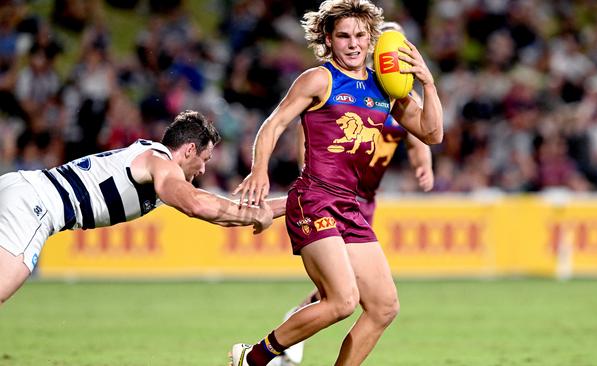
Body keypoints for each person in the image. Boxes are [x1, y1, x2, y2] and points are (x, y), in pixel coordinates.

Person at [230, 0, 443, 365]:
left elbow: (432, 132)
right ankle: (252, 359)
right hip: (313, 199)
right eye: (343, 35)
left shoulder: (386, 89)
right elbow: (274, 123)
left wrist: (428, 82)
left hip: (350, 205)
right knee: (342, 302)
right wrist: (259, 169)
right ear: (328, 39)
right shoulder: (320, 79)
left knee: (384, 307)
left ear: (372, 39)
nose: (353, 43)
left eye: (360, 35)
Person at [0, 110, 284, 305]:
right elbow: (197, 204)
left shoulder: (155, 163)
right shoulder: (159, 163)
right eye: (205, 159)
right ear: (188, 151)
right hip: (35, 207)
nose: (203, 169)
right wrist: (253, 215)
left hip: (21, 186)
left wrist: (292, 203)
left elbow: (220, 211)